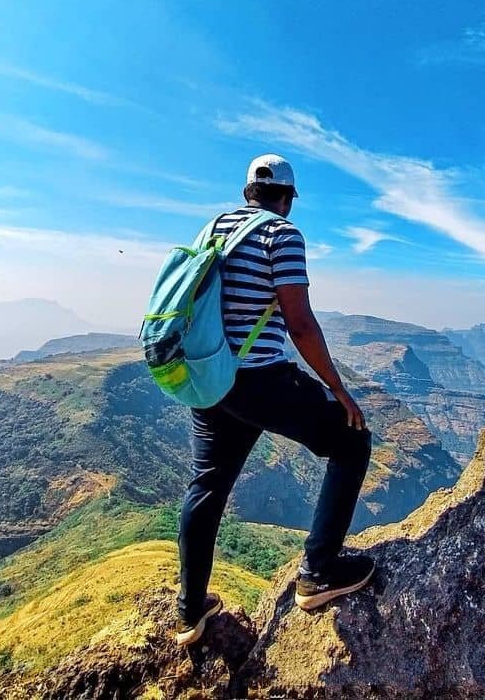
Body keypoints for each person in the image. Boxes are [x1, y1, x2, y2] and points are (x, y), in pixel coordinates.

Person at [174, 153, 374, 645]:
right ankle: (319, 573)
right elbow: (300, 323)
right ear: (287, 198)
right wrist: (338, 389)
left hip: (210, 378)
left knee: (208, 485)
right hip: (259, 379)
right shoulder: (282, 235)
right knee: (352, 443)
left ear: (247, 192)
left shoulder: (214, 229)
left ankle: (191, 609)